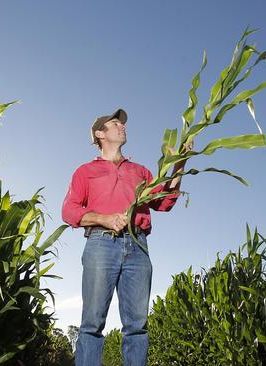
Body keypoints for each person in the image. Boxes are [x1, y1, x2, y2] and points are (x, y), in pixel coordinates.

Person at [62, 108, 188, 365]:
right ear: (100, 133)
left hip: (138, 246)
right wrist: (103, 218)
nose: (123, 126)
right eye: (116, 123)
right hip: (101, 244)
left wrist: (181, 163)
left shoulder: (140, 171)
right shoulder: (85, 171)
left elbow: (164, 202)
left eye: (123, 124)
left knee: (137, 326)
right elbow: (69, 210)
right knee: (92, 324)